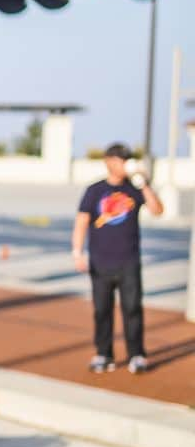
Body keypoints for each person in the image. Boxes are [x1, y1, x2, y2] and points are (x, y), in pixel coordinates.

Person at [72, 143, 163, 374]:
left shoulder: (135, 189)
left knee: (132, 308)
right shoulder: (94, 190)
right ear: (109, 161)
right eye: (121, 159)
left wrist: (145, 185)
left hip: (129, 261)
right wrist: (77, 251)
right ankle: (104, 354)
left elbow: (157, 210)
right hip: (100, 261)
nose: (124, 164)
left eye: (127, 160)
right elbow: (82, 221)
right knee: (102, 310)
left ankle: (137, 355)